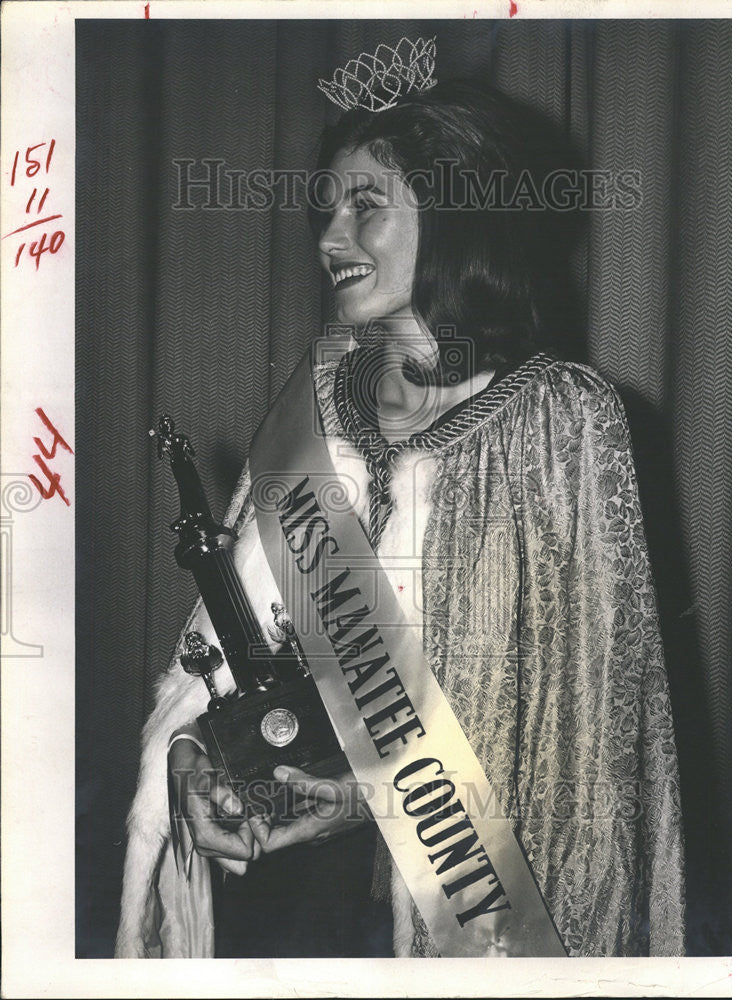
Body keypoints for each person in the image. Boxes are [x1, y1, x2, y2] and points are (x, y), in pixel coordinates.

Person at [116, 42, 686, 959]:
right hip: (278, 894)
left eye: (367, 204)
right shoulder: (316, 392)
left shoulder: (563, 420)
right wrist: (191, 759)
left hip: (460, 905)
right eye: (327, 207)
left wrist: (367, 800)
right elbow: (213, 648)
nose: (330, 236)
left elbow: (583, 758)